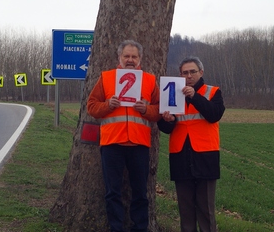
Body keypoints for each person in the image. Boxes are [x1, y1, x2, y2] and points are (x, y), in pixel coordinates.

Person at [87, 40, 161, 232]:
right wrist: (107, 105)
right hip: (112, 143)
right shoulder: (106, 78)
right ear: (119, 57)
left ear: (140, 59)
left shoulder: (150, 80)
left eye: (134, 56)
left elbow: (160, 111)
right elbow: (91, 107)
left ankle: (140, 228)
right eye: (126, 56)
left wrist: (146, 109)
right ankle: (116, 228)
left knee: (140, 194)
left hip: (139, 144)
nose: (130, 60)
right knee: (113, 192)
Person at [158, 56, 225, 232]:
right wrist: (168, 119)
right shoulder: (172, 92)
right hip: (180, 156)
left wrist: (195, 97)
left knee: (206, 210)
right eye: (185, 73)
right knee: (185, 211)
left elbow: (214, 114)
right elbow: (165, 127)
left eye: (192, 72)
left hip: (205, 156)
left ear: (201, 72)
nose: (188, 76)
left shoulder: (213, 92)